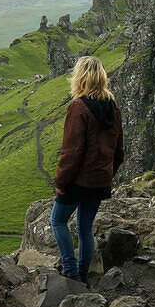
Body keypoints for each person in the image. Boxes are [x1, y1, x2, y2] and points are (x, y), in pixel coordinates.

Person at [51, 55, 124, 284]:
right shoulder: (113, 107)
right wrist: (107, 174)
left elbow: (71, 152)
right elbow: (119, 150)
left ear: (80, 78)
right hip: (100, 180)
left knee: (58, 220)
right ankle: (83, 275)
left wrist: (61, 182)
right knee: (85, 227)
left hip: (78, 181)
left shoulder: (78, 107)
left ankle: (71, 272)